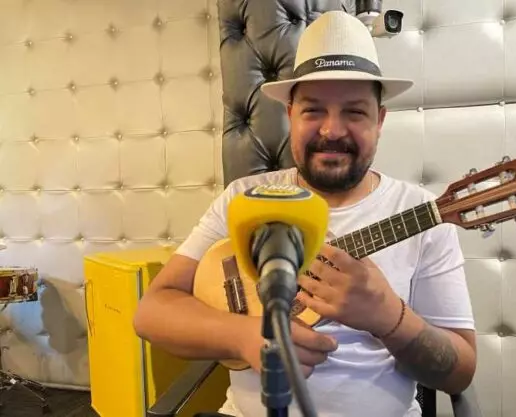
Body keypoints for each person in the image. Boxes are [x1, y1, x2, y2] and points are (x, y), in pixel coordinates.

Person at [133, 10, 476, 417]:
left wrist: (389, 317)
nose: (332, 131)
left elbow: (459, 374)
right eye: (313, 110)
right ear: (290, 114)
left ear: (379, 120)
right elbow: (152, 312)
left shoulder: (421, 213)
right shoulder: (243, 197)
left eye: (354, 112)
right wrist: (243, 335)